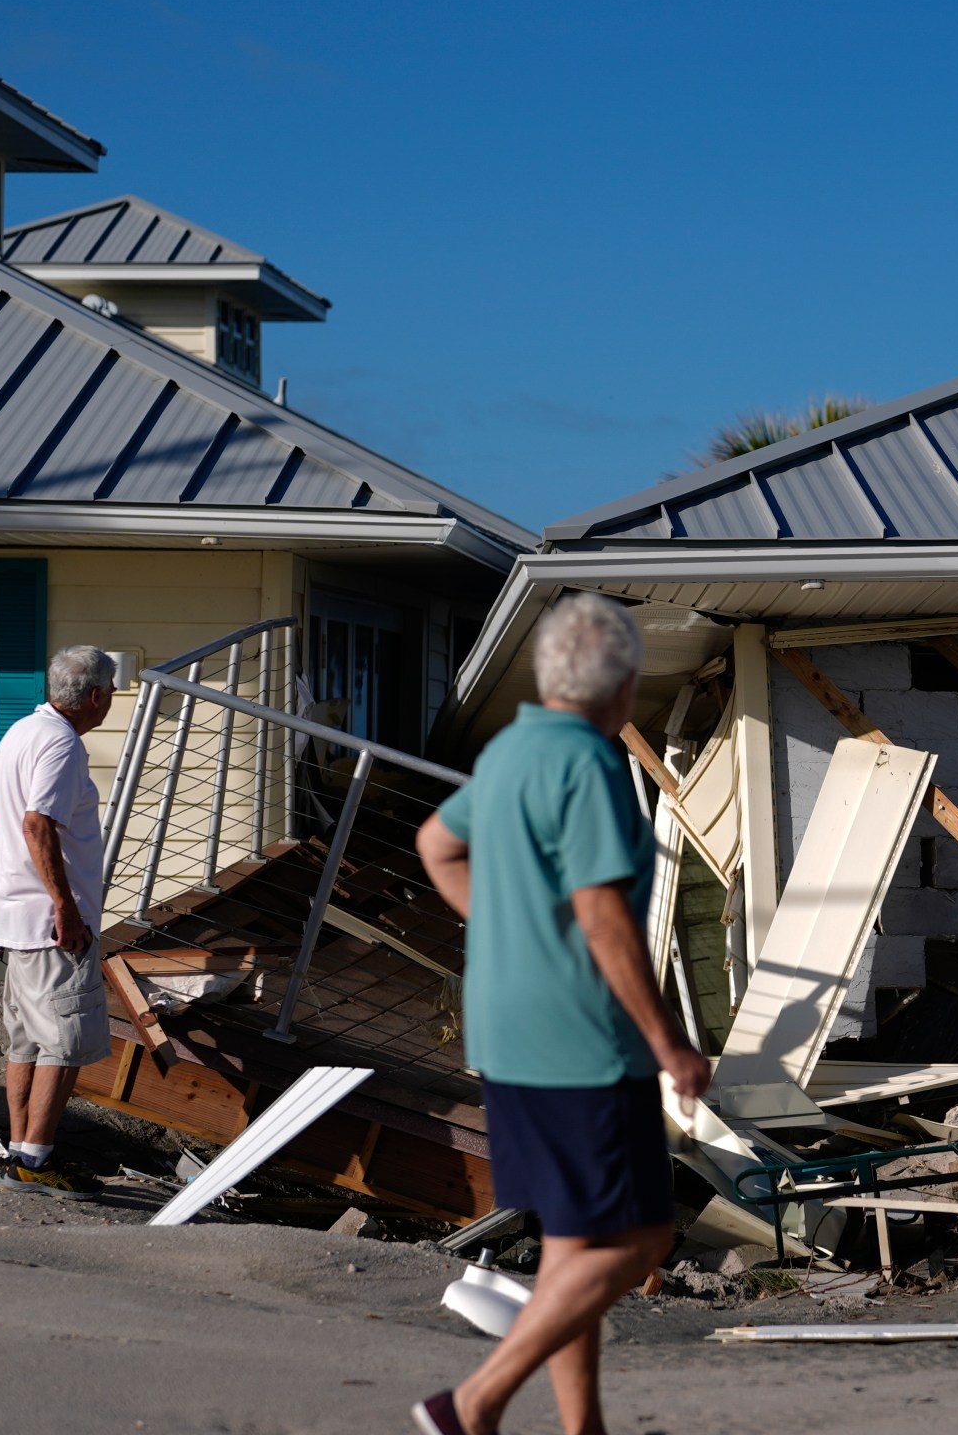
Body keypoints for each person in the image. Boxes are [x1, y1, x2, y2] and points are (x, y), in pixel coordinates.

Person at [410, 592, 710, 1435]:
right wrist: (670, 1043)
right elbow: (604, 915)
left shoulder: (510, 753)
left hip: (505, 1032)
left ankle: (584, 1431)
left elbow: (436, 843)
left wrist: (505, 928)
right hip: (583, 1042)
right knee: (644, 1237)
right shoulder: (589, 763)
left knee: (575, 1249)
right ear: (623, 687)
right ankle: (473, 1402)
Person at [0, 644, 119, 1200]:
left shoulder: (21, 731)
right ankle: (35, 1164)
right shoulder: (62, 745)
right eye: (110, 693)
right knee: (63, 1042)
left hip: (15, 916)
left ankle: (21, 1152)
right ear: (93, 696)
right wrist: (67, 909)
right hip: (49, 923)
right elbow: (38, 824)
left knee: (27, 1043)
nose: (110, 702)